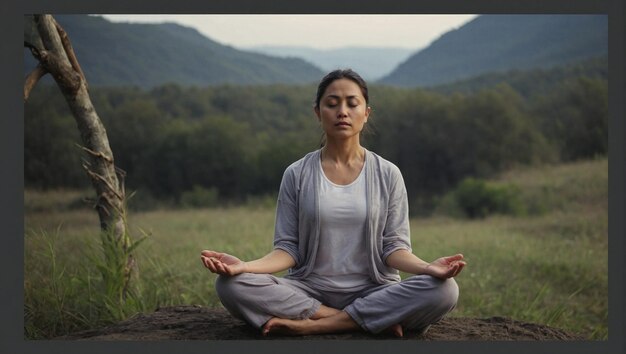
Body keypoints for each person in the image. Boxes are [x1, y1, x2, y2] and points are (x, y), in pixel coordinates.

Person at [200, 69, 466, 337]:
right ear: (318, 112)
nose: (342, 111)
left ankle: (312, 325)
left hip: (375, 289)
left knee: (444, 290)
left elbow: (394, 248)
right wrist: (244, 267)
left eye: (352, 104)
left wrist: (427, 267)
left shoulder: (388, 174)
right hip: (308, 290)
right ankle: (359, 319)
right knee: (230, 285)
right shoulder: (297, 173)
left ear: (366, 113)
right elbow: (287, 250)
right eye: (332, 103)